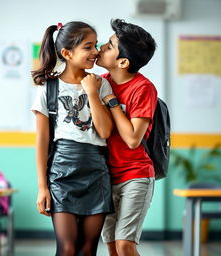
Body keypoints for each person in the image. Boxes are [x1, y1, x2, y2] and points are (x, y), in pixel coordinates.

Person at [31, 21, 114, 256]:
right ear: (67, 53)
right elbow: (42, 141)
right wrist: (42, 187)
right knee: (67, 249)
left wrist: (91, 93)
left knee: (87, 250)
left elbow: (106, 131)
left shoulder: (101, 83)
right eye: (88, 47)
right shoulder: (48, 88)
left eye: (96, 45)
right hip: (61, 173)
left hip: (96, 171)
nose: (96, 52)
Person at [96, 19, 158, 256]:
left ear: (123, 61)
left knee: (125, 244)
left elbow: (133, 139)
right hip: (106, 176)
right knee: (112, 246)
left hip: (135, 175)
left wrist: (112, 102)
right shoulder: (101, 81)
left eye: (109, 46)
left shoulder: (143, 88)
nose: (101, 47)